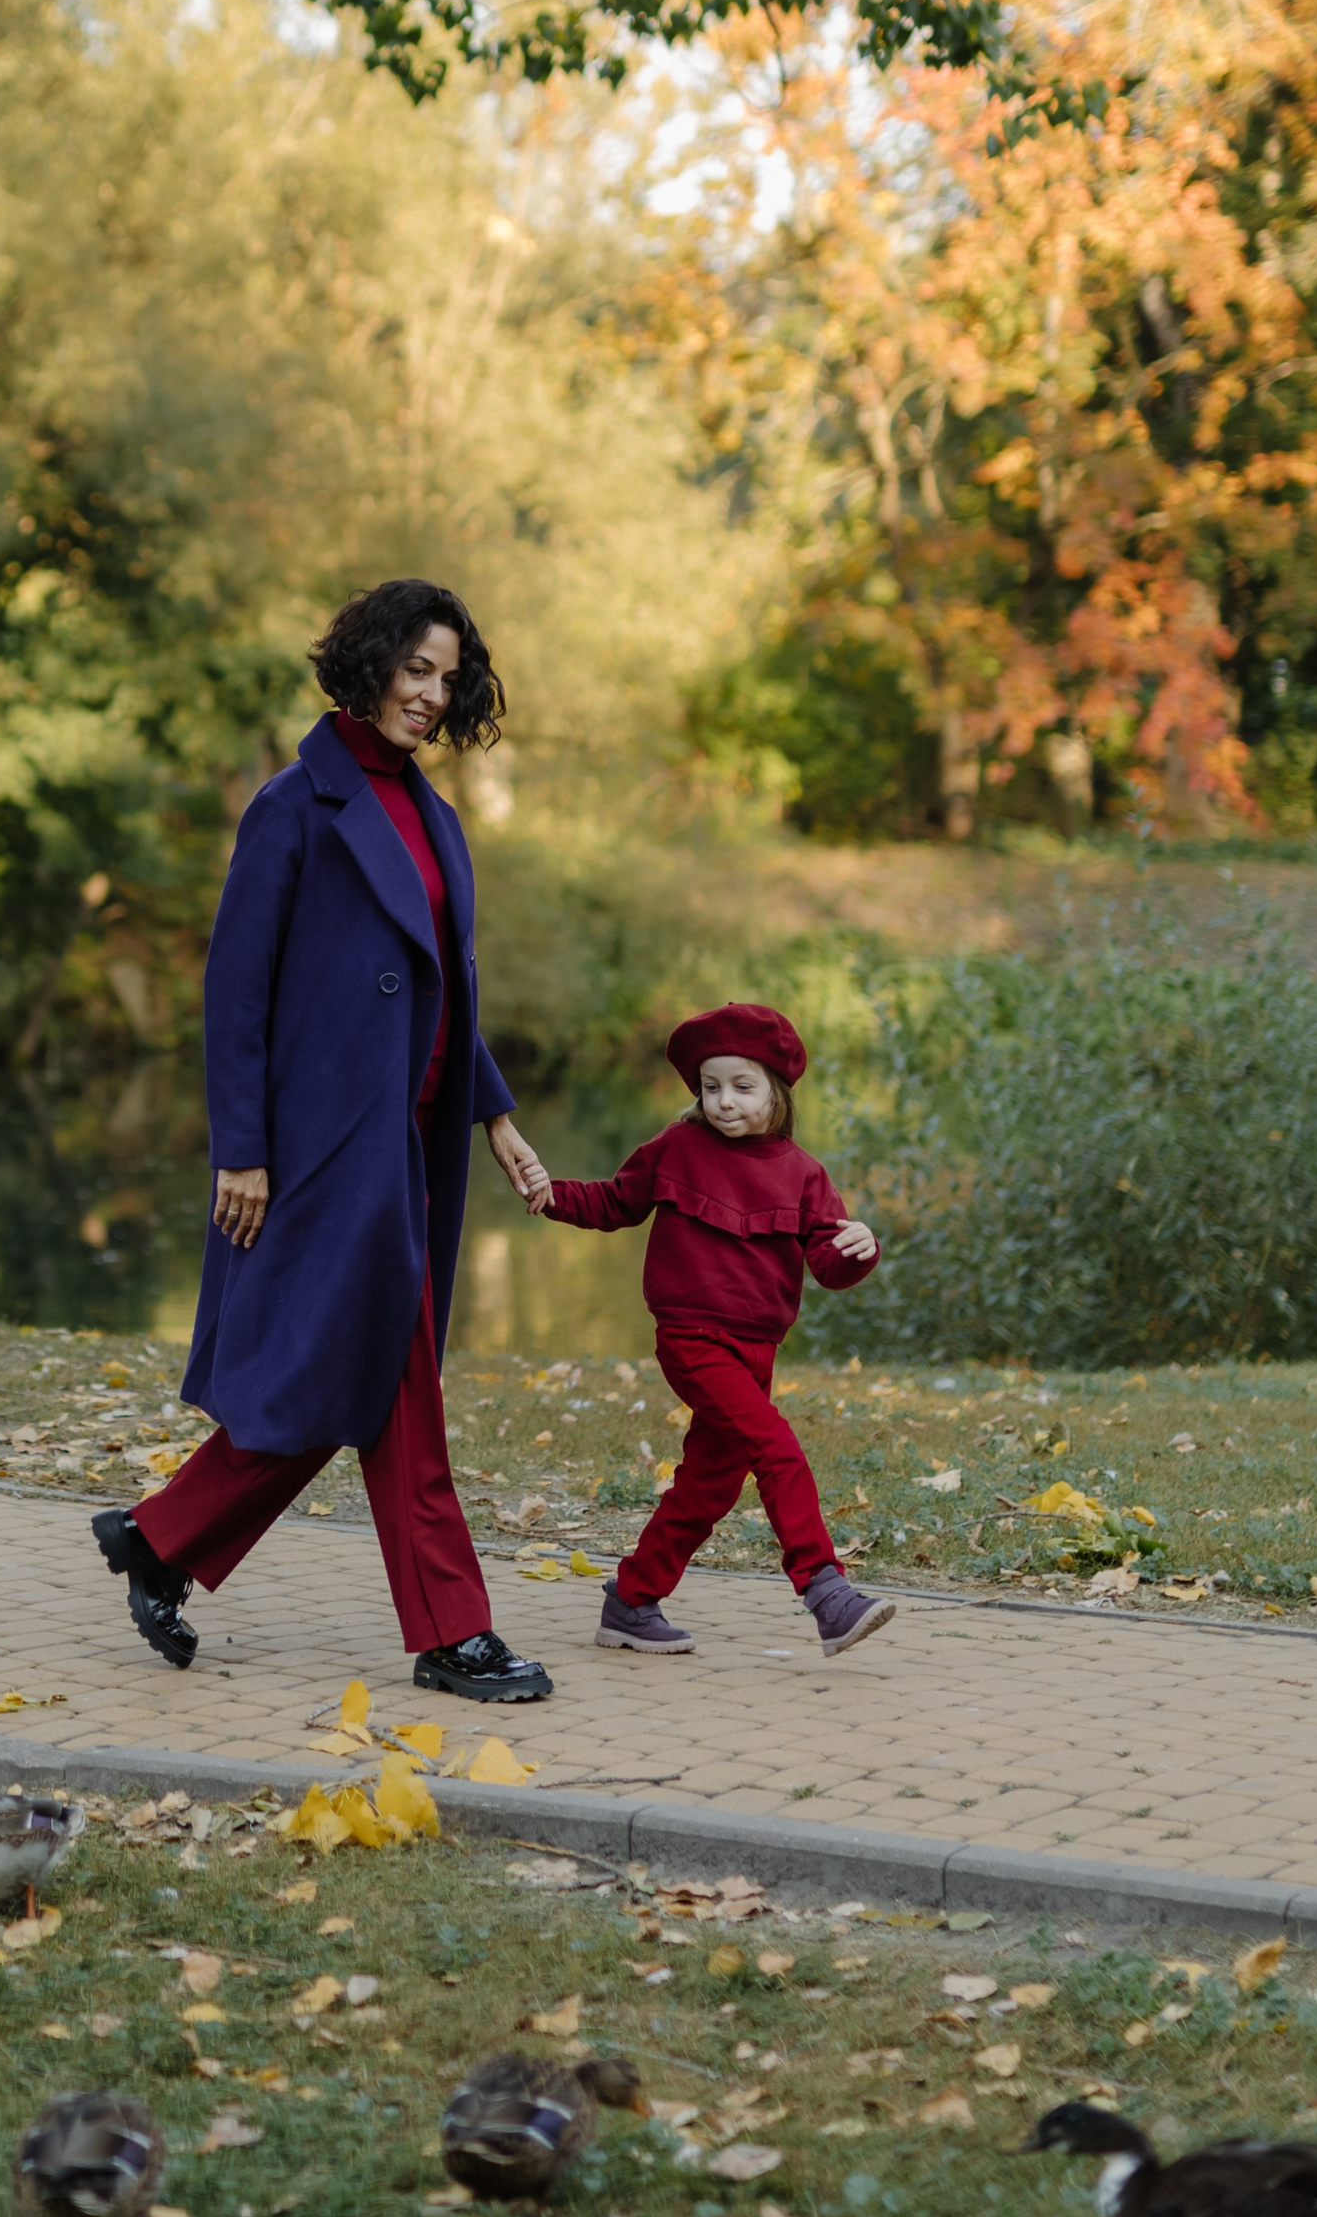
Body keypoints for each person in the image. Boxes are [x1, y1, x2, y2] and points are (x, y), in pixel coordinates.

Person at [92, 580, 555, 1702]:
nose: (431, 695)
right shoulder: (294, 806)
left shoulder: (435, 816)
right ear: (370, 664)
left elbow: (443, 996)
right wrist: (239, 1151)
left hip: (410, 1150)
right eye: (415, 670)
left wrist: (494, 1115)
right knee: (392, 1384)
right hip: (322, 1152)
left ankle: (161, 1538)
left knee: (344, 1378)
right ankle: (450, 1630)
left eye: (448, 678)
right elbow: (234, 993)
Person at [521, 1002, 893, 1656]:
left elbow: (828, 1266)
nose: (723, 1101)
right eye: (710, 1086)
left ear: (775, 1091)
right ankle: (826, 1591)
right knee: (776, 1448)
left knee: (709, 1484)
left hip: (757, 1349)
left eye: (741, 1087)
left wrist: (859, 1246)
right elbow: (615, 1202)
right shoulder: (678, 1148)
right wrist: (552, 1192)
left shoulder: (803, 1174)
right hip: (693, 1339)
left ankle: (633, 1601)